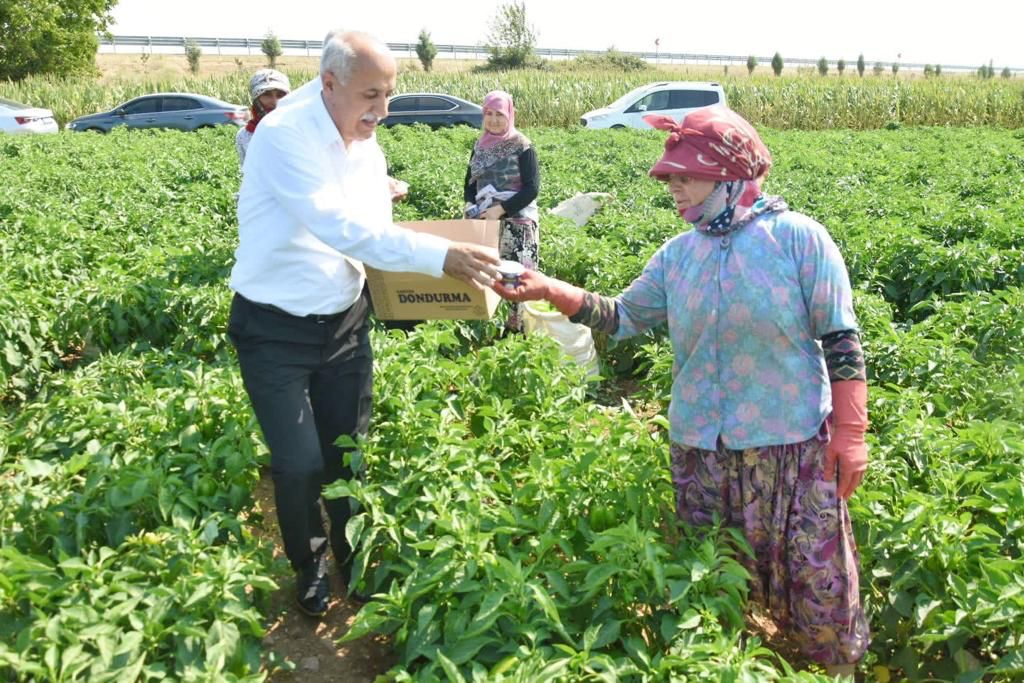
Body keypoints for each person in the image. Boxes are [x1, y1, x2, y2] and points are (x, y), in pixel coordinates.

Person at [494, 106, 870, 678]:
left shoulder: (799, 240)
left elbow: (840, 337)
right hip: (702, 452)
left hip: (790, 449)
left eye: (684, 177)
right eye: (670, 178)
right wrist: (550, 288)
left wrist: (850, 432)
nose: (674, 189)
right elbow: (620, 317)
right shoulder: (678, 255)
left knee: (816, 586)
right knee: (716, 591)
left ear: (728, 176)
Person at [228, 30, 499, 618]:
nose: (383, 110)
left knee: (347, 453)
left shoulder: (364, 139)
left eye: (390, 94)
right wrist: (442, 257)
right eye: (371, 95)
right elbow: (337, 225)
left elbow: (371, 224)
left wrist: (420, 281)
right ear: (330, 84)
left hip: (344, 321)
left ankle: (354, 559)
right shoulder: (283, 136)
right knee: (299, 463)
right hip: (274, 326)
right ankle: (310, 566)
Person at [463, 90, 539, 332]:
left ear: (510, 115)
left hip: (517, 226)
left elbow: (532, 188)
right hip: (485, 223)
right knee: (487, 278)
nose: (494, 120)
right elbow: (470, 184)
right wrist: (469, 205)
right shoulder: (480, 146)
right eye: (489, 114)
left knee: (515, 282)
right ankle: (489, 333)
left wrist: (501, 210)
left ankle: (516, 337)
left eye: (499, 114)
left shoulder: (522, 146)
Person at [236, 68, 291, 166]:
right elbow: (246, 171)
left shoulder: (297, 130)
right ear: (257, 98)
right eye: (267, 95)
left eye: (280, 95)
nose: (274, 101)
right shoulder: (244, 135)